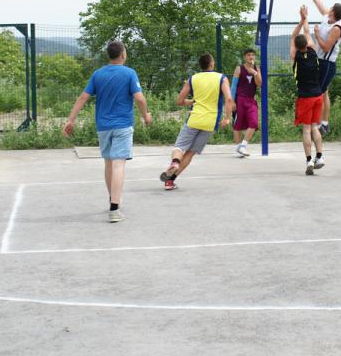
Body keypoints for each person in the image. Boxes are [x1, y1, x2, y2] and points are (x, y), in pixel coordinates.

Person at [63, 40, 152, 222]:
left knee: (109, 164)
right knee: (119, 164)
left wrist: (70, 120)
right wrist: (145, 116)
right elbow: (140, 99)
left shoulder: (98, 74)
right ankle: (114, 208)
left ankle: (113, 200)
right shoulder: (129, 73)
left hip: (103, 127)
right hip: (123, 126)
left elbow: (83, 97)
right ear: (122, 54)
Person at [160, 53, 233, 190]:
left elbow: (179, 101)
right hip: (210, 122)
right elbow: (229, 99)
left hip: (194, 118)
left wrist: (193, 101)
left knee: (180, 147)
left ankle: (175, 162)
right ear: (211, 64)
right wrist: (227, 118)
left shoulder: (193, 78)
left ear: (201, 65)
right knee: (191, 152)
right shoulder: (221, 78)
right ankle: (170, 181)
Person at [310, 0, 341, 136]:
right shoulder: (327, 17)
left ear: (334, 13)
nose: (328, 8)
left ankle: (321, 123)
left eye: (331, 8)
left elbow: (325, 48)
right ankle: (323, 123)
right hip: (319, 60)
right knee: (323, 92)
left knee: (319, 92)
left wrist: (316, 34)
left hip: (327, 63)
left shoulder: (337, 28)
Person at [290, 5, 325, 176]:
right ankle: (320, 156)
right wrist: (306, 19)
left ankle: (309, 159)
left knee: (306, 129)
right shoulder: (312, 51)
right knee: (315, 127)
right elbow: (306, 32)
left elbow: (293, 36)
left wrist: (300, 20)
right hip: (318, 95)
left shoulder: (294, 56)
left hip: (305, 97)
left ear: (296, 46)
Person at [231, 48, 261, 157]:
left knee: (254, 123)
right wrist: (232, 101)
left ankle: (243, 146)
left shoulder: (257, 68)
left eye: (253, 55)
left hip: (251, 100)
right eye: (249, 55)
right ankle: (240, 147)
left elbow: (259, 84)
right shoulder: (239, 69)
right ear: (245, 57)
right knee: (237, 125)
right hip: (240, 100)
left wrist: (255, 73)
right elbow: (233, 87)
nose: (251, 57)